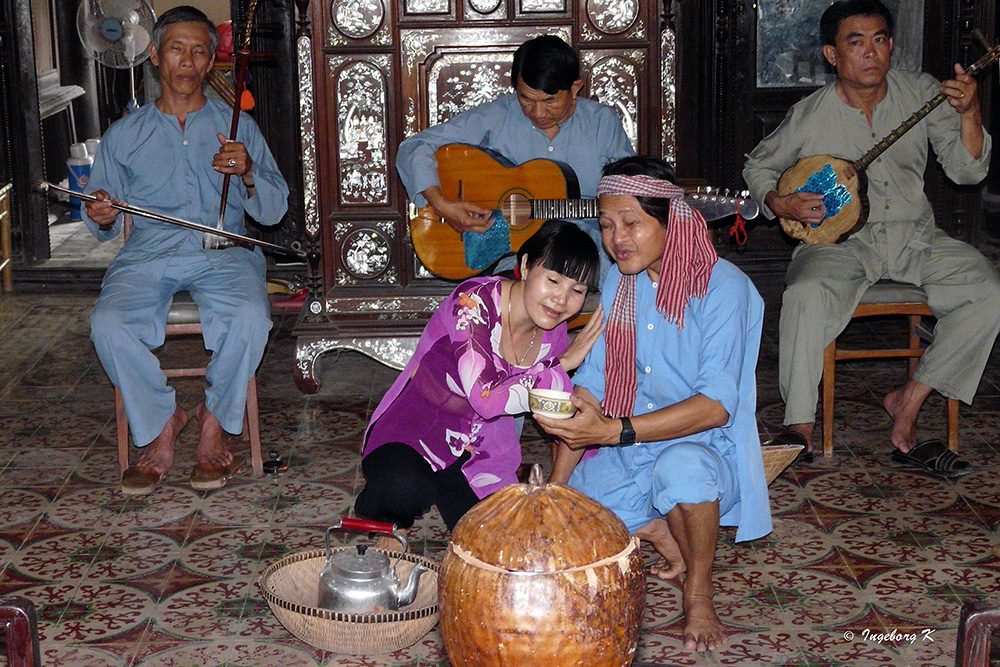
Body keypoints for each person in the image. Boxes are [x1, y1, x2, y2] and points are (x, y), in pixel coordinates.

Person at [742, 0, 999, 472]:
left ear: (891, 46)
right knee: (805, 292)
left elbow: (966, 172)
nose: (870, 52)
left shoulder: (922, 93)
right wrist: (780, 202)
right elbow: (758, 165)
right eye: (855, 42)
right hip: (840, 246)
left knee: (988, 290)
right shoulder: (810, 113)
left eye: (879, 39)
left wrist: (970, 112)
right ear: (831, 55)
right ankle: (799, 424)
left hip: (914, 237)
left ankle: (910, 397)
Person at [536, 156, 771, 652]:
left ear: (672, 221)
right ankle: (659, 528)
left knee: (682, 469)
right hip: (631, 445)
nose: (616, 239)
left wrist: (614, 431)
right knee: (571, 527)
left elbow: (715, 407)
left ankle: (700, 592)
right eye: (606, 225)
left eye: (631, 223)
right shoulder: (624, 283)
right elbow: (593, 387)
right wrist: (555, 494)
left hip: (704, 446)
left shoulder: (722, 287)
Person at [83, 6, 289, 495]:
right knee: (107, 324)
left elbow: (275, 210)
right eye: (177, 49)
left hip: (225, 252)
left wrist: (247, 174)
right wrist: (103, 214)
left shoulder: (237, 126)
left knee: (250, 317)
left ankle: (215, 420)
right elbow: (100, 219)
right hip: (148, 254)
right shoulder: (124, 135)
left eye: (200, 51)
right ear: (155, 55)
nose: (188, 62)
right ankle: (162, 421)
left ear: (212, 61)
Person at [355, 220, 605, 531]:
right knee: (402, 489)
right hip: (414, 429)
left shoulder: (553, 331)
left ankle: (445, 487)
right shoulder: (472, 303)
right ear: (525, 266)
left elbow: (552, 403)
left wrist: (591, 448)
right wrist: (563, 363)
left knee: (499, 536)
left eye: (577, 290)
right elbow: (485, 399)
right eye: (553, 280)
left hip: (482, 449)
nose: (561, 299)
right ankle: (383, 517)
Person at [395, 34, 634, 276]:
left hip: (589, 254)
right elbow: (415, 147)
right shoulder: (498, 116)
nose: (538, 112)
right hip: (514, 261)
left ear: (575, 88)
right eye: (526, 98)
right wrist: (441, 204)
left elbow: (634, 190)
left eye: (550, 100)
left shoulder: (602, 123)